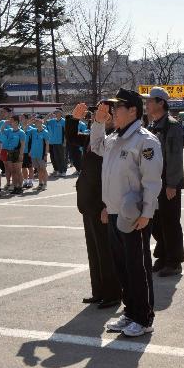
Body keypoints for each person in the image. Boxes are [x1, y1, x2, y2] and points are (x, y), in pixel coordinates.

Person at [90, 88, 163, 338]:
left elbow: (152, 181)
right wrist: (98, 124)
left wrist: (147, 213)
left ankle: (144, 318)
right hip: (114, 212)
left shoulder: (145, 140)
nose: (113, 111)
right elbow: (97, 146)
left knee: (137, 267)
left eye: (117, 107)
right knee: (122, 266)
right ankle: (130, 312)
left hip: (135, 216)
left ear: (133, 110)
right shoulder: (114, 138)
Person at [67, 103, 122, 309]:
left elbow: (113, 177)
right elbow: (72, 138)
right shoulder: (93, 139)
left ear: (110, 118)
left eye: (102, 114)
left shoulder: (112, 141)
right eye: (95, 113)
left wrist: (108, 204)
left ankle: (112, 293)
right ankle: (98, 291)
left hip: (102, 204)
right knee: (94, 250)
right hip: (88, 202)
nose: (96, 117)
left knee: (105, 251)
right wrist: (73, 120)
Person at [144, 87, 184, 277]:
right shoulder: (153, 125)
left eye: (150, 101)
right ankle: (162, 255)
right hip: (154, 182)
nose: (147, 104)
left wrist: (172, 184)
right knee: (157, 221)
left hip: (167, 182)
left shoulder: (172, 125)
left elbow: (175, 157)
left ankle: (174, 261)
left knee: (170, 221)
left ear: (161, 102)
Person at [1, 115, 26, 195]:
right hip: (10, 152)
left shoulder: (21, 132)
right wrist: (5, 123)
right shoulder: (9, 130)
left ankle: (20, 187)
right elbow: (1, 130)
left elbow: (22, 145)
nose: (10, 122)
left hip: (17, 152)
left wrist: (21, 155)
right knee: (12, 171)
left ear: (16, 122)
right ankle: (15, 187)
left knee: (18, 171)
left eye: (11, 120)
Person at [27, 116, 51, 191]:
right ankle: (40, 183)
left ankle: (45, 184)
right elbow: (24, 128)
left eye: (38, 122)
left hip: (41, 154)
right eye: (36, 122)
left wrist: (45, 155)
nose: (36, 123)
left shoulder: (45, 132)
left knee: (43, 169)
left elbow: (47, 144)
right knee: (38, 169)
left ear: (41, 122)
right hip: (34, 154)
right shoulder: (33, 131)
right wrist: (30, 122)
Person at [46, 110, 67, 177]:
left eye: (58, 112)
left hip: (61, 142)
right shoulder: (52, 121)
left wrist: (65, 141)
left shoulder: (64, 121)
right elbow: (43, 121)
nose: (56, 114)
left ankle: (63, 171)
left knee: (62, 157)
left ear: (61, 113)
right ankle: (59, 170)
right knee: (56, 157)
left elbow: (66, 133)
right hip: (54, 142)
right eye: (55, 113)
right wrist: (48, 115)